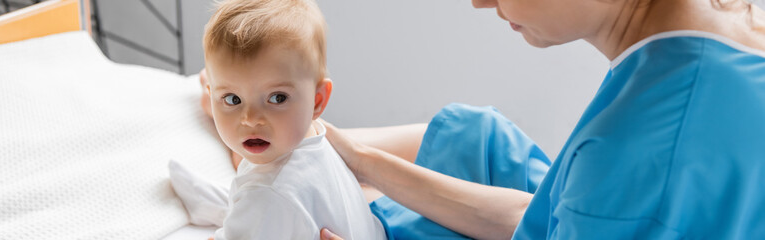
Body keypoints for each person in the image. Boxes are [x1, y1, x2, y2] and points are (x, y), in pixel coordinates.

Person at [318, 0, 765, 239]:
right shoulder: (717, 38)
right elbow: (545, 215)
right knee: (475, 138)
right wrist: (363, 160)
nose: (480, 2)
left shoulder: (637, 150)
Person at [201, 0, 387, 239]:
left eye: (277, 98)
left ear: (317, 101)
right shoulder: (316, 136)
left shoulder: (265, 195)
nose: (250, 119)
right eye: (232, 99)